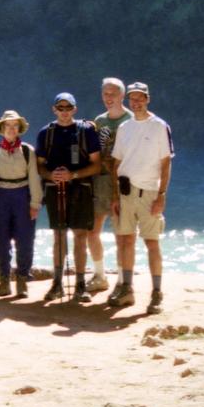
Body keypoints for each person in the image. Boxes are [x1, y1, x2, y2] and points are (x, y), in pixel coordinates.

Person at [108, 82, 173, 315]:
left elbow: (166, 162)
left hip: (149, 193)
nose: (136, 102)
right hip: (125, 193)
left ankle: (156, 293)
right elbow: (116, 162)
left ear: (148, 99)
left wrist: (162, 195)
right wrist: (115, 195)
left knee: (151, 242)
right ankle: (127, 289)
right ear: (129, 101)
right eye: (133, 99)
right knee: (125, 240)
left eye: (140, 98)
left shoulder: (159, 126)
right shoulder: (124, 128)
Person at [35, 92, 101, 302]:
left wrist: (73, 175)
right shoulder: (46, 133)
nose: (64, 112)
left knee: (80, 236)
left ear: (75, 109)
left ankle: (80, 285)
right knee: (58, 237)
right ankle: (57, 284)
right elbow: (39, 166)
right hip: (55, 190)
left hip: (81, 189)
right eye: (60, 108)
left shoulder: (87, 131)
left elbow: (97, 164)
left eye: (68, 108)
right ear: (54, 109)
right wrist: (51, 175)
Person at [0, 110, 42, 298]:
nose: (11, 129)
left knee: (25, 239)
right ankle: (4, 279)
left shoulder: (28, 151)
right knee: (0, 240)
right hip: (0, 196)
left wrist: (35, 203)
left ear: (19, 129)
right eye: (7, 126)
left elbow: (35, 178)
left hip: (23, 194)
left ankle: (22, 279)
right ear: (1, 129)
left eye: (14, 126)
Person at [92, 78, 132, 287]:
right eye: (105, 94)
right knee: (93, 230)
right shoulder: (100, 121)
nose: (109, 98)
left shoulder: (131, 120)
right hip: (100, 181)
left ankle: (122, 280)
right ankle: (99, 275)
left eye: (113, 94)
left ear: (122, 96)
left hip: (123, 184)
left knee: (121, 234)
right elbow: (95, 153)